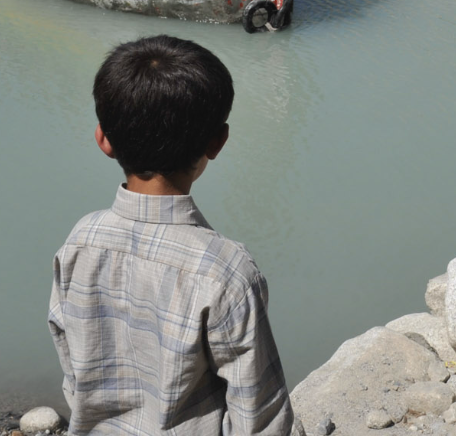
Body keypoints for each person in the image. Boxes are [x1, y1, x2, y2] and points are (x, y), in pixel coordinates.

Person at [50, 36, 299, 436]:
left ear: (104, 140)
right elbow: (261, 418)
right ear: (217, 142)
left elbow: (72, 369)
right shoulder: (226, 273)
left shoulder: (80, 241)